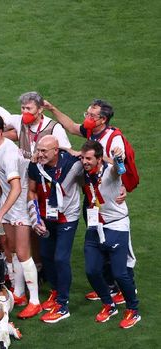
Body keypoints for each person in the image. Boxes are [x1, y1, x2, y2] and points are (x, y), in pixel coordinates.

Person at [44, 98, 131, 302]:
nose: (87, 118)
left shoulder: (114, 138)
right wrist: (53, 108)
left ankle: (125, 288)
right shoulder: (92, 131)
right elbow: (72, 127)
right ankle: (109, 286)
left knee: (115, 244)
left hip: (110, 198)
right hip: (92, 198)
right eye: (87, 114)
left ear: (103, 119)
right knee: (99, 239)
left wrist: (88, 157)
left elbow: (120, 166)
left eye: (92, 115)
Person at [0, 113, 41, 319]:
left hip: (19, 207)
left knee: (23, 253)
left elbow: (15, 188)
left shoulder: (8, 154)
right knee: (13, 250)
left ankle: (35, 301)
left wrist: (0, 214)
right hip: (10, 206)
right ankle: (20, 293)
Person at [80, 140, 140, 329]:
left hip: (116, 226)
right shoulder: (85, 171)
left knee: (119, 273)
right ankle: (109, 304)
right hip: (95, 226)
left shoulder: (110, 172)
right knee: (91, 270)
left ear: (99, 159)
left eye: (88, 158)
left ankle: (133, 309)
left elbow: (119, 168)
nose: (84, 161)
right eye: (83, 158)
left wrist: (118, 157)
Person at [27, 135, 82, 323]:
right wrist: (36, 219)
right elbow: (32, 191)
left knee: (61, 258)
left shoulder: (72, 163)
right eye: (38, 150)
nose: (39, 154)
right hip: (45, 217)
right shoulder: (35, 166)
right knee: (45, 255)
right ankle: (56, 291)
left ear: (56, 151)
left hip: (67, 217)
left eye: (44, 151)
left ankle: (63, 304)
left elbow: (97, 165)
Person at [10, 91, 71, 160]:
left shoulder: (54, 128)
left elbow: (66, 154)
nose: (25, 112)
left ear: (40, 109)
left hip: (45, 170)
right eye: (23, 108)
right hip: (24, 170)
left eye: (28, 108)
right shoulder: (18, 120)